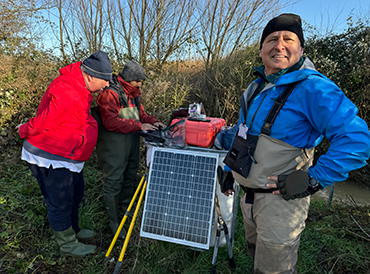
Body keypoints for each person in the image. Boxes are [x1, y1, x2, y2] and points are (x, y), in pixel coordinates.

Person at [221, 13, 370, 273]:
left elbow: (356, 140)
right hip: (249, 199)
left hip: (281, 206)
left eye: (288, 39)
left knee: (275, 269)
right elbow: (242, 134)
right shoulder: (255, 88)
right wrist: (228, 170)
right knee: (257, 258)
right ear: (261, 51)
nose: (279, 45)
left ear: (300, 49)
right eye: (271, 39)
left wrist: (314, 179)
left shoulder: (314, 89)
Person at [17, 51, 112, 257]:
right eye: (104, 81)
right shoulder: (69, 90)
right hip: (50, 155)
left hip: (67, 155)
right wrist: (23, 130)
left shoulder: (80, 88)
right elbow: (45, 121)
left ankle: (74, 230)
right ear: (91, 76)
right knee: (60, 200)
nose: (106, 85)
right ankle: (67, 244)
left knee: (75, 194)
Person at [92, 60, 165, 238]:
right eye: (137, 81)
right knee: (113, 179)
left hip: (131, 141)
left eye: (141, 81)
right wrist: (140, 125)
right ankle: (114, 221)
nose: (140, 84)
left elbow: (141, 114)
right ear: (128, 79)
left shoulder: (133, 94)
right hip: (113, 145)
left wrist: (152, 121)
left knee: (130, 172)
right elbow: (110, 122)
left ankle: (125, 206)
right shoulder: (110, 93)